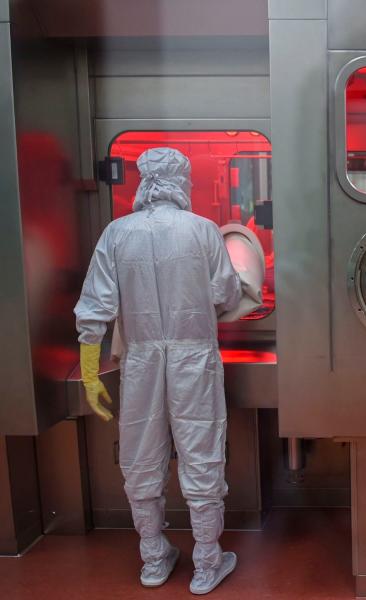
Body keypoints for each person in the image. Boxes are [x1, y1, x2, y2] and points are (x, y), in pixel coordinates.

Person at [74, 147, 242, 594]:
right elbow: (226, 292)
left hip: (142, 361)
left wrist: (91, 375)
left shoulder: (117, 233)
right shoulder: (204, 231)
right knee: (201, 450)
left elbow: (94, 309)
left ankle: (153, 557)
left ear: (143, 181)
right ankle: (207, 561)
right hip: (194, 360)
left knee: (140, 454)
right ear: (182, 181)